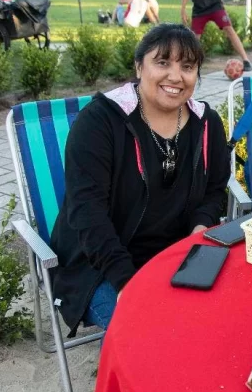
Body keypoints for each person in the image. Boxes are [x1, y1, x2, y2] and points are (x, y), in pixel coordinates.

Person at [50, 24, 230, 336]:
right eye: (162, 62)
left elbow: (214, 190)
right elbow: (87, 214)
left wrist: (200, 227)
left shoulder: (206, 123)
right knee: (146, 332)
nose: (175, 76)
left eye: (187, 67)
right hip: (99, 264)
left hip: (176, 254)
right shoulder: (100, 122)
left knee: (225, 315)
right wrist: (127, 282)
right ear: (139, 67)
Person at [178, 0, 252, 71]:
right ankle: (189, 63)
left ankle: (246, 60)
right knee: (195, 37)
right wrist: (183, 10)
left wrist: (222, 8)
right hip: (199, 10)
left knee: (229, 29)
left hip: (216, 7)